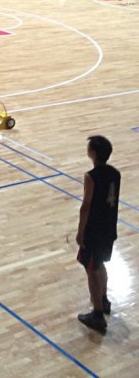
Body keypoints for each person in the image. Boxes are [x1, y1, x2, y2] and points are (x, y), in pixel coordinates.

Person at [76, 135, 121, 334]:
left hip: (94, 230)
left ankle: (97, 314)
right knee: (100, 263)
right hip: (109, 227)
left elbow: (86, 206)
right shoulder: (115, 173)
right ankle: (103, 299)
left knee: (91, 269)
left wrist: (80, 232)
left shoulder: (91, 176)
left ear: (92, 153)